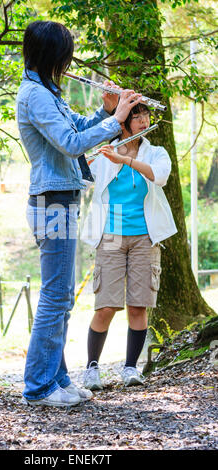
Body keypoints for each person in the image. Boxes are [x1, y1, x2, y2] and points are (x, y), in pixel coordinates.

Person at [16, 20, 143, 407]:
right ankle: (38, 388)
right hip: (51, 203)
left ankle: (57, 380)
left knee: (63, 298)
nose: (66, 62)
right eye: (63, 55)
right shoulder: (35, 96)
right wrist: (118, 118)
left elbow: (80, 128)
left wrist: (105, 112)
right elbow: (72, 145)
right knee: (55, 297)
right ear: (50, 55)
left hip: (61, 200)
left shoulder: (47, 92)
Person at [81, 103, 177, 390]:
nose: (143, 120)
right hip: (110, 235)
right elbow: (81, 178)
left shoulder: (156, 153)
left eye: (146, 116)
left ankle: (130, 368)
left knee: (139, 305)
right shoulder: (106, 152)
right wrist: (86, 161)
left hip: (145, 236)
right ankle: (91, 369)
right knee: (107, 305)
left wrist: (127, 161)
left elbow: (158, 176)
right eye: (136, 116)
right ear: (122, 122)